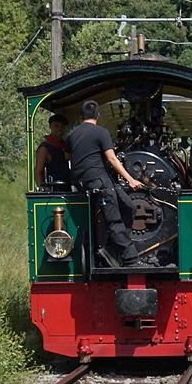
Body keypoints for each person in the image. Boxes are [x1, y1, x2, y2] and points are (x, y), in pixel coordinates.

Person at [65, 99, 143, 267]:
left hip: (87, 182)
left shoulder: (71, 135)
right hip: (100, 181)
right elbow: (112, 158)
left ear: (81, 116)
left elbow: (67, 157)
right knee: (114, 220)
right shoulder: (101, 132)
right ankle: (131, 259)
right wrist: (130, 180)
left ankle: (112, 247)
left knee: (129, 207)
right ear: (98, 115)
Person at [34, 113, 71, 188]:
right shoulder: (44, 148)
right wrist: (43, 188)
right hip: (53, 190)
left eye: (62, 126)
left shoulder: (65, 146)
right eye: (56, 125)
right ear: (50, 126)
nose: (60, 129)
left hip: (66, 189)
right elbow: (38, 171)